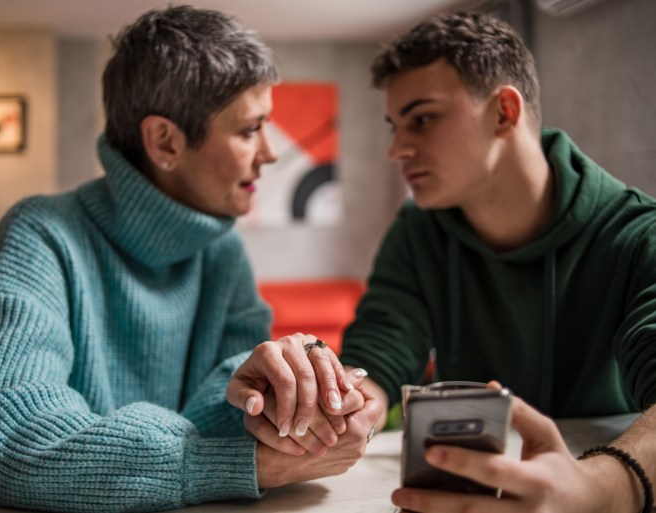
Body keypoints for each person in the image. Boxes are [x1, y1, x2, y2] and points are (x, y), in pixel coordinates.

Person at [230, 9, 656, 513]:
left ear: (504, 112)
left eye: (423, 118)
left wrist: (602, 487)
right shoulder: (417, 231)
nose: (396, 149)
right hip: (460, 494)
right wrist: (341, 407)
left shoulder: (638, 234)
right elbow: (383, 353)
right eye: (394, 125)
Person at [0, 6, 368, 513]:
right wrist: (239, 465)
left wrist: (292, 405)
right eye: (248, 130)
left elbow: (230, 415)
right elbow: (13, 442)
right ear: (165, 141)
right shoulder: (40, 235)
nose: (270, 153)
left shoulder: (223, 251)